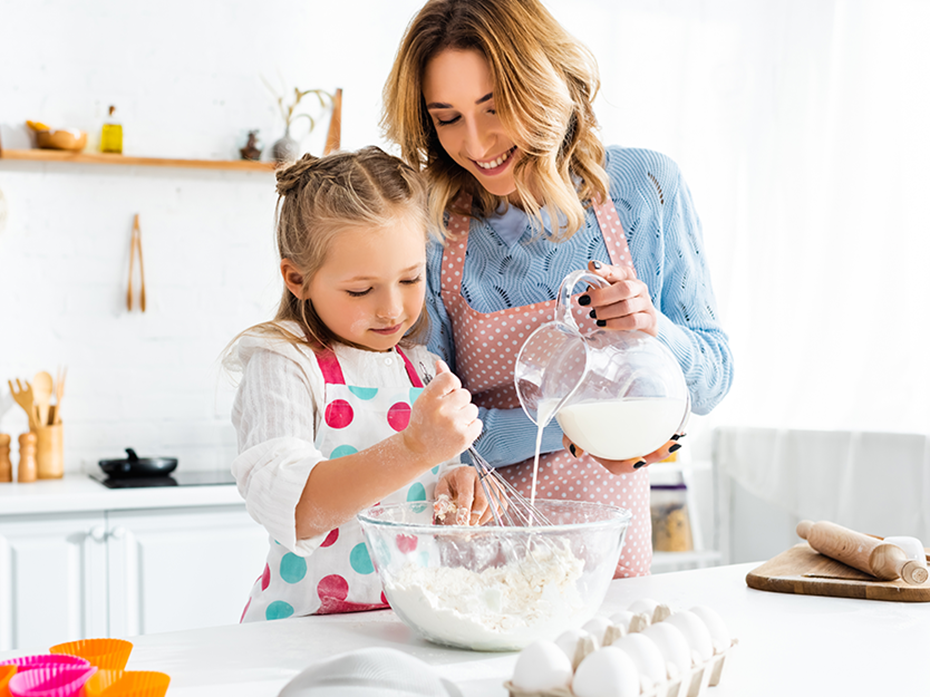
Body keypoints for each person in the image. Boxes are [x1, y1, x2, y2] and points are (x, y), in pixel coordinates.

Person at [382, 0, 734, 577]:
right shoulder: (430, 224)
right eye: (447, 118)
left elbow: (714, 377)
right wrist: (582, 432)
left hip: (606, 560)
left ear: (542, 85)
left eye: (495, 107)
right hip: (473, 561)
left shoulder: (644, 189)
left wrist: (654, 329)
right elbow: (434, 432)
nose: (475, 143)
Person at [226, 147, 490, 622]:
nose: (391, 309)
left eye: (410, 279)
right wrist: (413, 449)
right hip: (302, 633)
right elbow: (301, 511)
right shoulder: (284, 363)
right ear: (297, 278)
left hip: (407, 625)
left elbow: (435, 483)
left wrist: (457, 488)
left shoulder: (423, 369)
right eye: (360, 290)